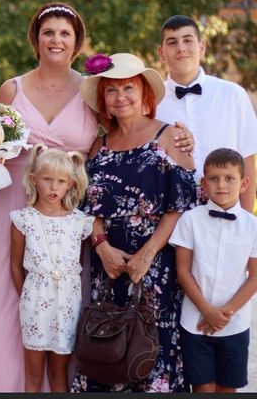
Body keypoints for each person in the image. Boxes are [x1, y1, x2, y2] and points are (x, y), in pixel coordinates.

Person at [0, 1, 99, 392]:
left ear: (77, 42)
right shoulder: (12, 89)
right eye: (49, 32)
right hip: (14, 209)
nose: (56, 40)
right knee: (1, 301)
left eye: (65, 33)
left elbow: (102, 153)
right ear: (36, 39)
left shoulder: (92, 92)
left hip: (65, 218)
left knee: (61, 304)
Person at [72, 52, 198, 392]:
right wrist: (102, 248)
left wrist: (147, 254)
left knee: (151, 349)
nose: (120, 97)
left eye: (128, 88)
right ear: (104, 100)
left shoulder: (171, 137)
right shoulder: (99, 146)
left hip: (157, 265)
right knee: (107, 347)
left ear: (144, 93)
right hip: (108, 264)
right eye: (111, 91)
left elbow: (181, 206)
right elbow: (87, 207)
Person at [169, 147, 257, 393]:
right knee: (203, 388)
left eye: (230, 178)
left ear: (244, 183)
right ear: (203, 183)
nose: (222, 185)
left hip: (235, 323)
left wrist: (224, 313)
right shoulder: (190, 220)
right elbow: (183, 272)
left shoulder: (252, 227)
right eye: (214, 178)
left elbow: (255, 276)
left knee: (228, 388)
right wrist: (207, 311)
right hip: (195, 321)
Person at [9, 145, 94, 392]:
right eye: (47, 180)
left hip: (67, 306)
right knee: (33, 375)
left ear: (71, 184)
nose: (54, 187)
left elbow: (75, 264)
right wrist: (26, 297)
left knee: (59, 375)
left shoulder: (79, 221)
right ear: (34, 180)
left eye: (60, 181)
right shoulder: (22, 219)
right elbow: (15, 266)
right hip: (34, 304)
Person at [155, 15, 257, 211]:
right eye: (172, 42)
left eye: (187, 40)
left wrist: (246, 221)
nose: (181, 48)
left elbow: (247, 160)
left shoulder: (233, 94)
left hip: (225, 209)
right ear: (161, 52)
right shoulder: (152, 102)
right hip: (171, 213)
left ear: (201, 47)